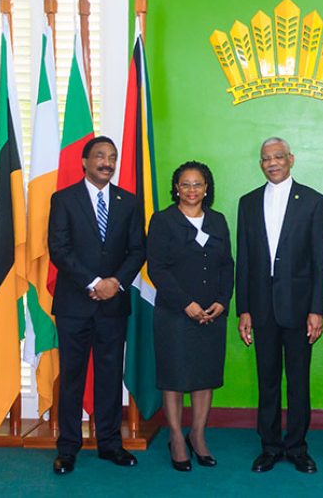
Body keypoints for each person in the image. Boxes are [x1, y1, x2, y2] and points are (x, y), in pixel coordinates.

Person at [48, 135, 146, 475]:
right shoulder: (63, 199)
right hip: (75, 304)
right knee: (72, 377)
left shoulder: (129, 202)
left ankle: (109, 443)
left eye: (112, 157)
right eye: (100, 156)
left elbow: (137, 249)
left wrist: (114, 284)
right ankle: (68, 447)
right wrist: (93, 283)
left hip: (112, 305)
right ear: (85, 162)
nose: (107, 162)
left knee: (108, 376)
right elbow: (59, 249)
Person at [236, 137, 323, 474]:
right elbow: (243, 261)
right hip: (260, 309)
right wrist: (243, 309)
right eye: (265, 159)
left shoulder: (313, 201)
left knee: (299, 381)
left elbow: (320, 261)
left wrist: (317, 309)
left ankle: (297, 447)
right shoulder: (247, 203)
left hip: (300, 309)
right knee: (268, 380)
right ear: (260, 164)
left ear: (291, 159)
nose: (272, 163)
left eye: (277, 157)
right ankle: (270, 446)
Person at [147, 161, 234, 472]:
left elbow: (227, 265)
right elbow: (157, 268)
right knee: (174, 378)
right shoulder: (163, 221)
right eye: (186, 184)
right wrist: (187, 304)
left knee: (204, 376)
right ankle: (176, 437)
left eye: (198, 184)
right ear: (176, 188)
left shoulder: (218, 221)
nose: (192, 190)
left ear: (206, 188)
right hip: (175, 313)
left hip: (212, 314)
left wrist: (222, 302)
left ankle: (197, 434)